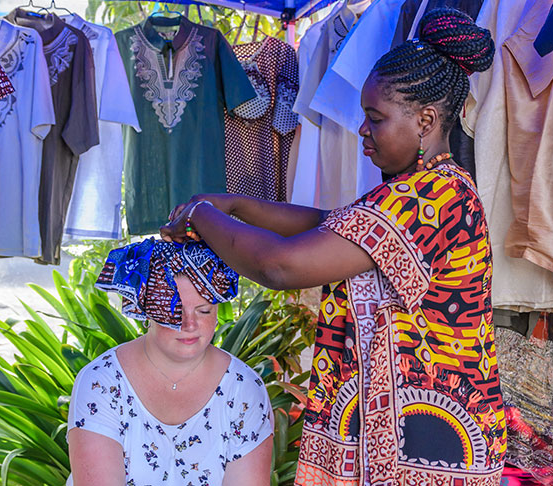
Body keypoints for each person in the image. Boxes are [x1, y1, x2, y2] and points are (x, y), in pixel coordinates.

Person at [161, 8, 506, 486]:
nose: (362, 130)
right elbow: (331, 226)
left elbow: (280, 266)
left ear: (425, 121)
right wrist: (236, 205)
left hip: (429, 449)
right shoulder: (421, 189)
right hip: (411, 438)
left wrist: (202, 215)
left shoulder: (431, 197)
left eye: (375, 119)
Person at [66, 238, 273, 486]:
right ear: (147, 310)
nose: (190, 324)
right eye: (175, 309)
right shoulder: (101, 381)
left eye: (203, 310)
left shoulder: (244, 388)